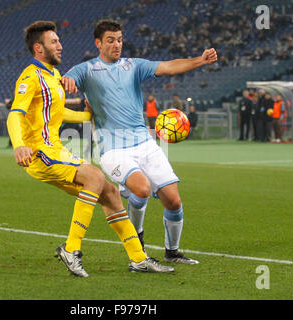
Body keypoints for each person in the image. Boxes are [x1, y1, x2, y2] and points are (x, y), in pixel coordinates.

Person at [6, 20, 173, 277]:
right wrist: (19, 146)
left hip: (56, 149)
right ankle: (71, 249)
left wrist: (86, 116)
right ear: (38, 48)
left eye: (59, 40)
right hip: (40, 153)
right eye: (54, 42)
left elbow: (59, 114)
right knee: (94, 177)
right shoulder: (31, 76)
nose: (61, 46)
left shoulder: (52, 76)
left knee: (110, 193)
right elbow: (15, 114)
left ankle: (138, 259)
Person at [63, 19, 217, 264]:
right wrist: (67, 81)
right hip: (113, 149)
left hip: (144, 143)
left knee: (174, 200)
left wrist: (200, 60)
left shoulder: (133, 66)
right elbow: (65, 79)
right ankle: (137, 244)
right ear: (98, 43)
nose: (117, 45)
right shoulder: (86, 69)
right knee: (142, 188)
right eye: (111, 40)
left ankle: (172, 252)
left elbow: (168, 67)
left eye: (120, 40)